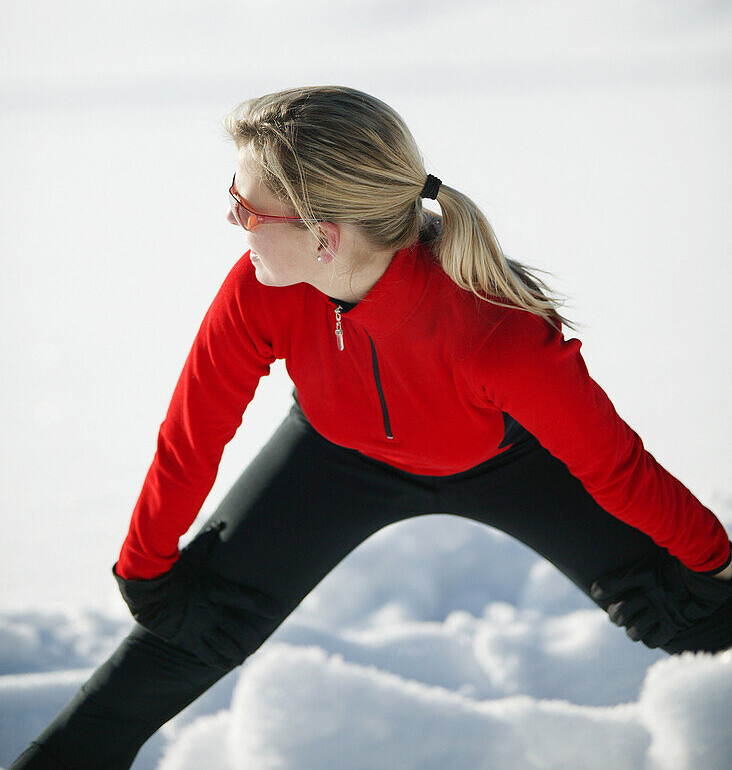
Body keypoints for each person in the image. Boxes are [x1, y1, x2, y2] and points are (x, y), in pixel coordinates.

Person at [11, 84, 731, 769]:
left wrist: (715, 562)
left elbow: (617, 468)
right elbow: (194, 432)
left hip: (508, 461)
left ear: (324, 238)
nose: (234, 219)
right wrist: (145, 566)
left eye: (248, 207)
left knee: (686, 611)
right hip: (332, 454)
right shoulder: (262, 290)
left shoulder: (495, 334)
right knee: (186, 630)